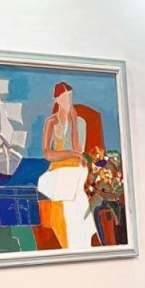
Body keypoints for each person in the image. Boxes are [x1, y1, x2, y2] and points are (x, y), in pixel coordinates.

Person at [36, 82, 96, 249]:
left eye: (69, 96)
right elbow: (48, 154)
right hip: (58, 169)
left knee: (76, 197)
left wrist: (74, 122)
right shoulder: (51, 122)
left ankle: (79, 241)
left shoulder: (80, 122)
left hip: (76, 167)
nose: (67, 100)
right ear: (56, 99)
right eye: (63, 97)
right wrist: (72, 153)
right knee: (66, 192)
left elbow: (79, 149)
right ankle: (71, 241)